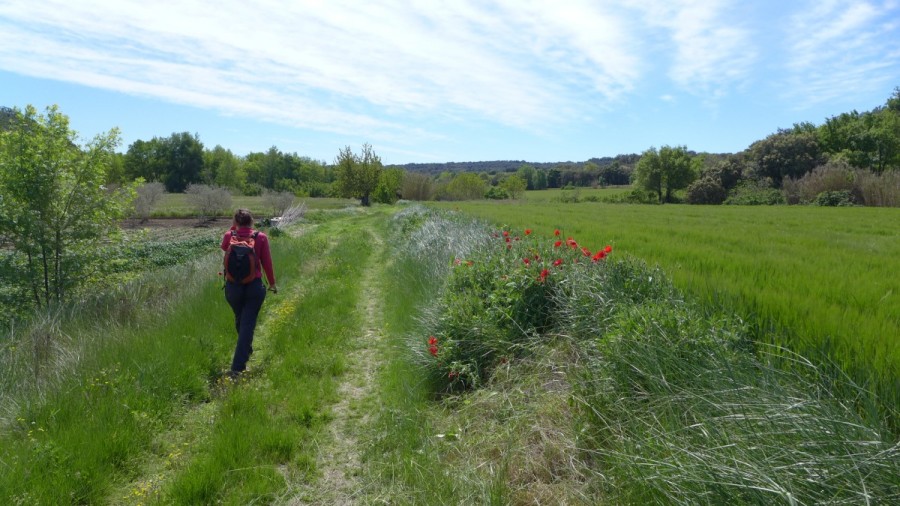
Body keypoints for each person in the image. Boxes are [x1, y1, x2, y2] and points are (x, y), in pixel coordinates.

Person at [221, 208, 277, 377]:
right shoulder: (260, 237)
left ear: (236, 222)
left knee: (241, 319)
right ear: (252, 221)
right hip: (254, 287)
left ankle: (245, 350)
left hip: (232, 287)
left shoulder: (229, 236)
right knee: (247, 324)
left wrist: (233, 228)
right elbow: (267, 263)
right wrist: (272, 283)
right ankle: (238, 368)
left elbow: (225, 247)